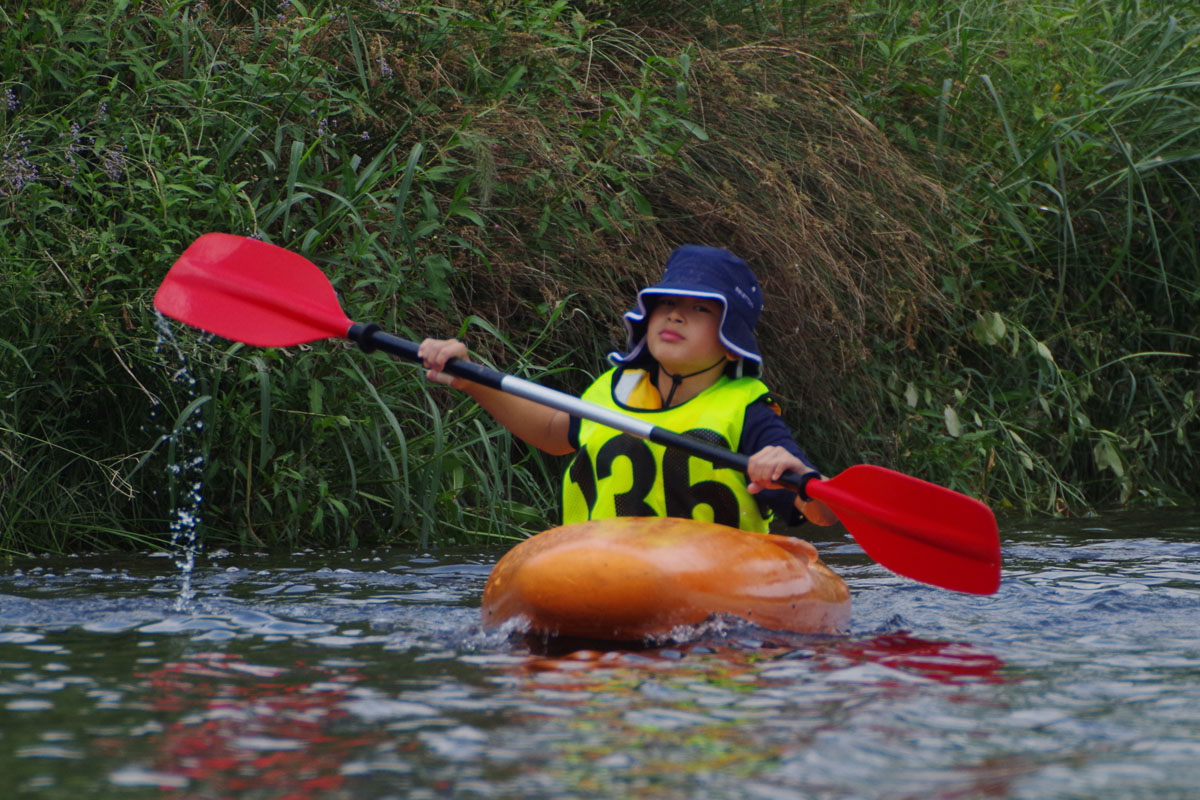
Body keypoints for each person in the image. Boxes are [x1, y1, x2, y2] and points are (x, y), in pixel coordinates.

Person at [417, 244, 837, 531]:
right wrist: (471, 379)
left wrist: (800, 477)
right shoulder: (613, 388)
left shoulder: (750, 413)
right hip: (597, 570)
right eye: (667, 304)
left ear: (731, 344)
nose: (674, 316)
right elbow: (551, 432)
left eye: (700, 309)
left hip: (711, 591)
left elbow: (820, 513)